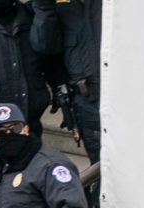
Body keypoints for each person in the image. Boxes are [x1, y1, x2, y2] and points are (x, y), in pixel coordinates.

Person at [31, 0, 102, 162]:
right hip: (87, 101)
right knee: (100, 166)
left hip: (124, 95)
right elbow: (43, 45)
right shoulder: (58, 5)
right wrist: (45, 8)